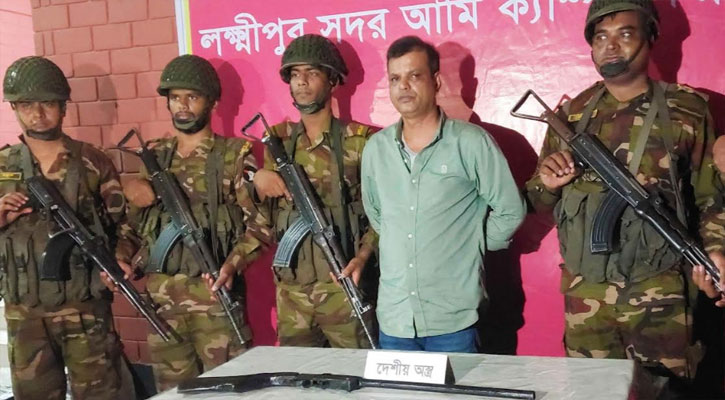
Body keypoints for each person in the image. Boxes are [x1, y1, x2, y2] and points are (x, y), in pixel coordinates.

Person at [524, 0, 725, 382]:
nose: (610, 46)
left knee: (665, 391)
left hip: (661, 293)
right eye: (600, 37)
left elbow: (710, 198)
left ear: (651, 37)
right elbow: (537, 199)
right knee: (591, 391)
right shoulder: (571, 115)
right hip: (587, 297)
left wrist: (716, 250)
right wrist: (547, 183)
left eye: (625, 33)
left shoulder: (687, 109)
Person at [361, 36, 526, 353]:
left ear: (436, 81)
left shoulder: (471, 142)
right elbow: (379, 217)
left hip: (453, 320)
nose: (403, 86)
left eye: (414, 75)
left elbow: (510, 210)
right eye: (395, 78)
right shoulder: (375, 149)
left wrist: (472, 243)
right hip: (395, 321)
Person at [119, 54, 266, 390]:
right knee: (173, 394)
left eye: (192, 97)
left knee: (229, 392)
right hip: (163, 309)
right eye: (175, 98)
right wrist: (123, 258)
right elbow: (133, 227)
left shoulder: (233, 155)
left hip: (216, 305)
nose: (182, 106)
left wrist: (232, 265)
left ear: (212, 102)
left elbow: (260, 227)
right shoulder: (154, 156)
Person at [0, 56, 134, 399]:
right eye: (26, 105)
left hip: (85, 309)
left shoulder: (92, 161)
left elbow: (125, 225)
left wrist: (120, 259)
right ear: (14, 108)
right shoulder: (2, 165)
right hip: (26, 314)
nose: (37, 113)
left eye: (47, 103)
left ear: (63, 107)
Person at [251, 34, 377, 348]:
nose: (302, 82)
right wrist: (256, 180)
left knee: (356, 373)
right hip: (292, 294)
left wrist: (362, 257)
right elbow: (263, 218)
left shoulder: (360, 141)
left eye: (312, 73)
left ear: (332, 80)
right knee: (297, 374)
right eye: (295, 74)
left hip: (343, 284)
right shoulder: (277, 141)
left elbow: (383, 215)